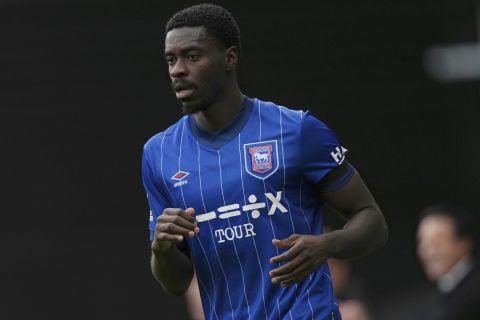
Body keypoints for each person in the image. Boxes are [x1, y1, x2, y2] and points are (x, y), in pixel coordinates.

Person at [141, 3, 388, 319]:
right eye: (171, 60)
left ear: (230, 58)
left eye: (191, 56)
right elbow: (176, 283)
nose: (177, 69)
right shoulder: (158, 154)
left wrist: (325, 246)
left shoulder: (297, 130)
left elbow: (373, 221)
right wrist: (160, 249)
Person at [415, 203, 480, 320]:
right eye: (423, 244)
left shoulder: (473, 295)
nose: (428, 253)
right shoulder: (448, 291)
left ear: (464, 243)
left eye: (437, 243)